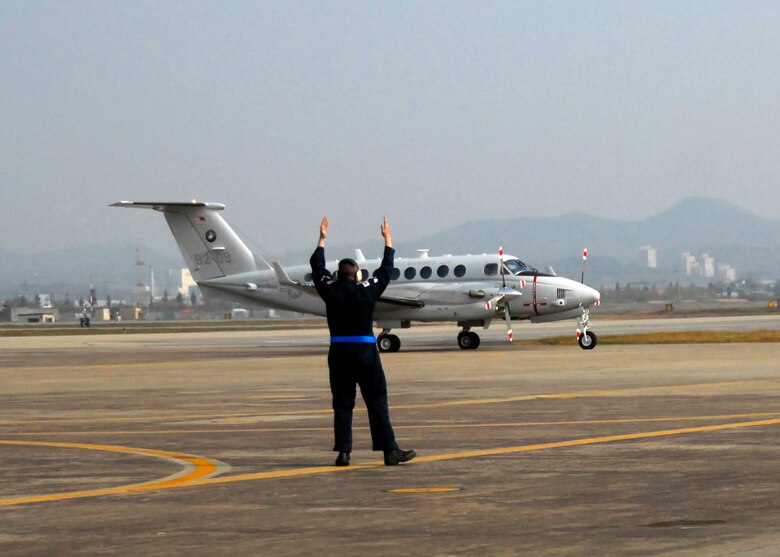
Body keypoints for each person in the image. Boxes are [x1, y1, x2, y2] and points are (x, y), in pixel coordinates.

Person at [310, 215, 416, 467]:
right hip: (365, 352)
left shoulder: (330, 290)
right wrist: (388, 239)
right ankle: (389, 450)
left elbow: (317, 269)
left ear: (338, 275)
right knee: (376, 399)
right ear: (357, 276)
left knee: (343, 402)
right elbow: (386, 271)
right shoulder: (366, 290)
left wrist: (322, 239)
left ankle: (344, 452)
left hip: (339, 353)